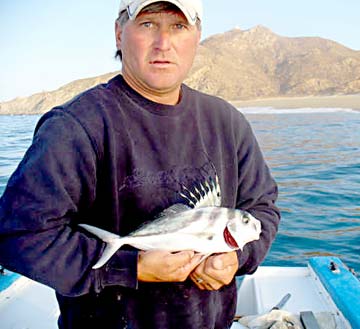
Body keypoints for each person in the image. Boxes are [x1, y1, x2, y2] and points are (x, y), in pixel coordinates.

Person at [0, 1, 280, 328]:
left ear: (197, 36)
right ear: (119, 34)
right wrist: (129, 267)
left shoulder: (227, 121)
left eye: (178, 26)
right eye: (148, 24)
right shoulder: (76, 127)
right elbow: (17, 236)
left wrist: (237, 258)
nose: (164, 43)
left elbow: (262, 209)